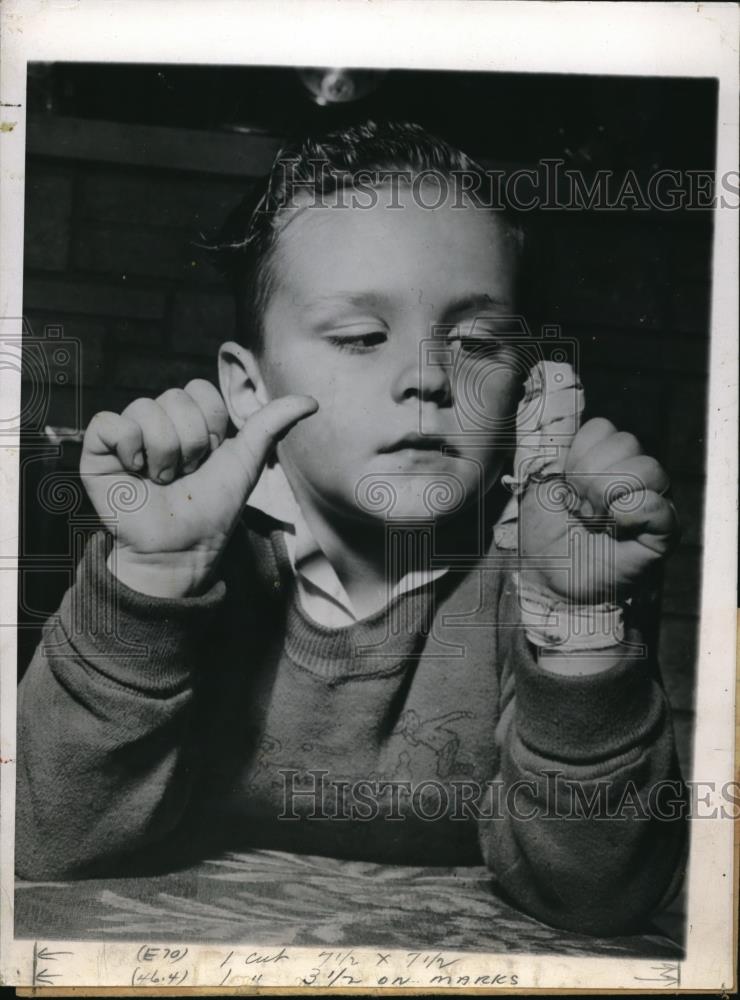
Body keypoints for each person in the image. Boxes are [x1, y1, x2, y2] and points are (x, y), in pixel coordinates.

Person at [16, 120, 686, 936]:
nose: (427, 377)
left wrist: (574, 620)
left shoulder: (540, 568)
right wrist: (151, 583)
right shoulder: (187, 551)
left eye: (478, 341)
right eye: (361, 338)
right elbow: (45, 841)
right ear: (248, 388)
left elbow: (599, 896)